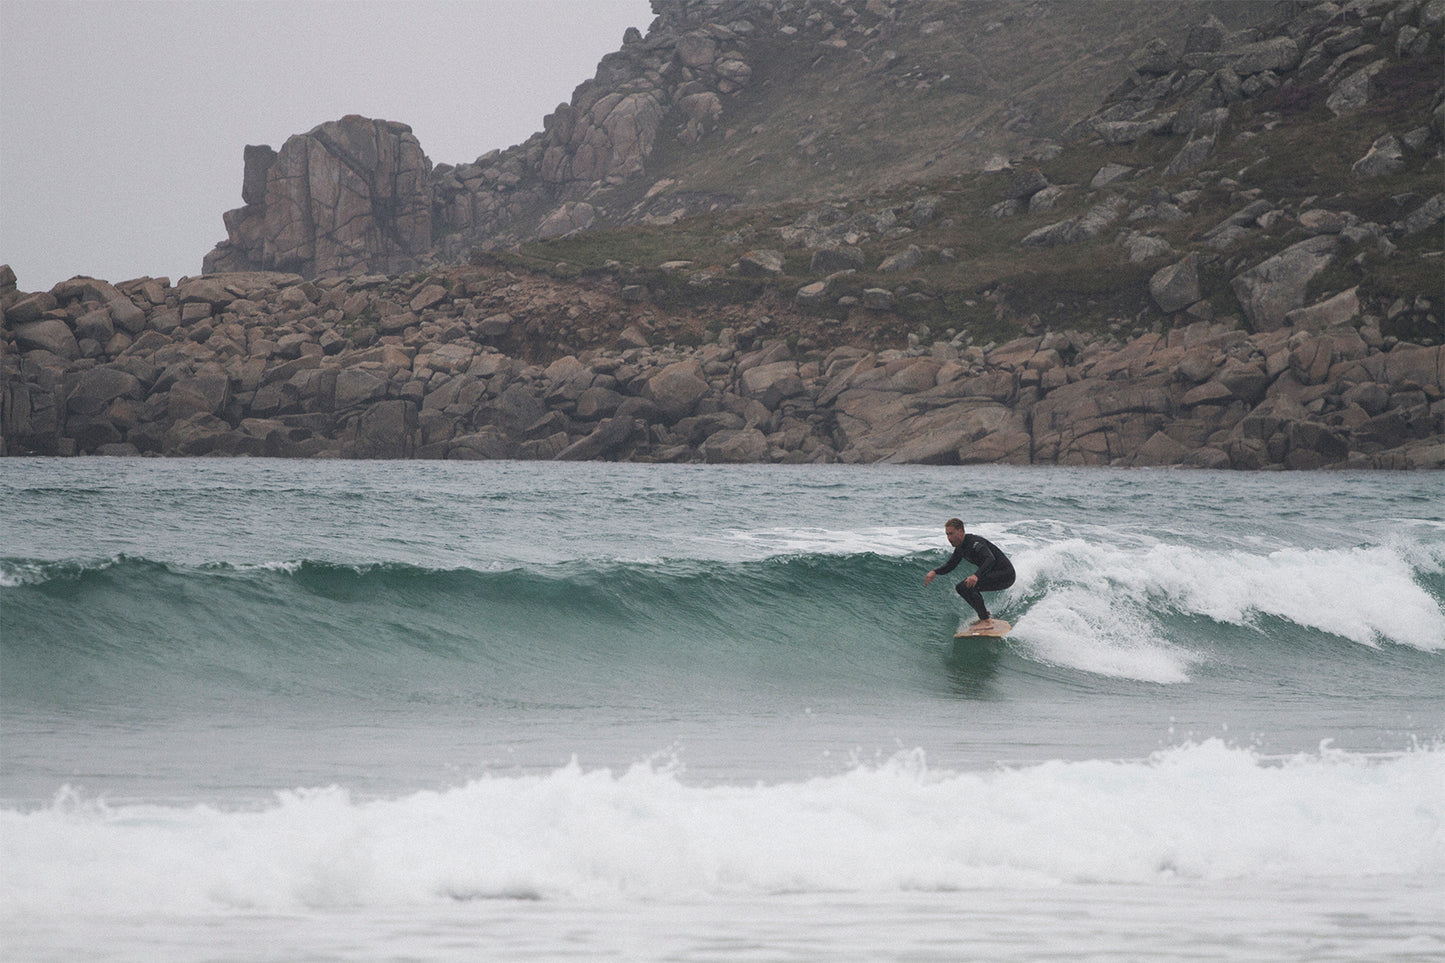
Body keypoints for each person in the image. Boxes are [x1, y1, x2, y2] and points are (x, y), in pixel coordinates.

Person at [924, 518, 1015, 629]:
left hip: (1006, 575)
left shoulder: (974, 543)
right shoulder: (960, 548)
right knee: (961, 587)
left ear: (961, 531)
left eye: (951, 533)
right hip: (996, 575)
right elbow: (951, 564)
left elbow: (990, 558)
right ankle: (984, 615)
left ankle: (986, 621)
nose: (949, 538)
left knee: (968, 586)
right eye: (947, 534)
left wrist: (976, 575)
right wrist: (935, 572)